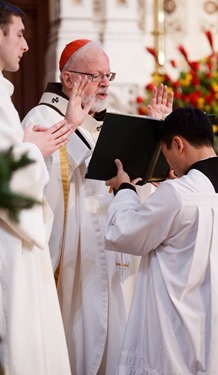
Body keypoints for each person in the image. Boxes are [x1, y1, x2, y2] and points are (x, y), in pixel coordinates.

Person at [22, 38, 173, 375]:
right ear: (69, 78)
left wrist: (156, 134)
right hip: (74, 256)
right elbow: (37, 178)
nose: (105, 83)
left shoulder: (107, 123)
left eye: (108, 75)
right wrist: (73, 126)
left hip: (114, 255)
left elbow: (135, 184)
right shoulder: (42, 116)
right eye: (96, 75)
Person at [105, 106, 218, 374]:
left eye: (166, 155)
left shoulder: (178, 194)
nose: (168, 164)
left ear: (178, 144)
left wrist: (124, 189)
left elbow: (125, 233)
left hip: (180, 333)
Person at [0, 2, 84, 374]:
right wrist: (31, 149)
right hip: (9, 236)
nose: (26, 46)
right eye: (18, 34)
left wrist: (29, 141)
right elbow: (6, 175)